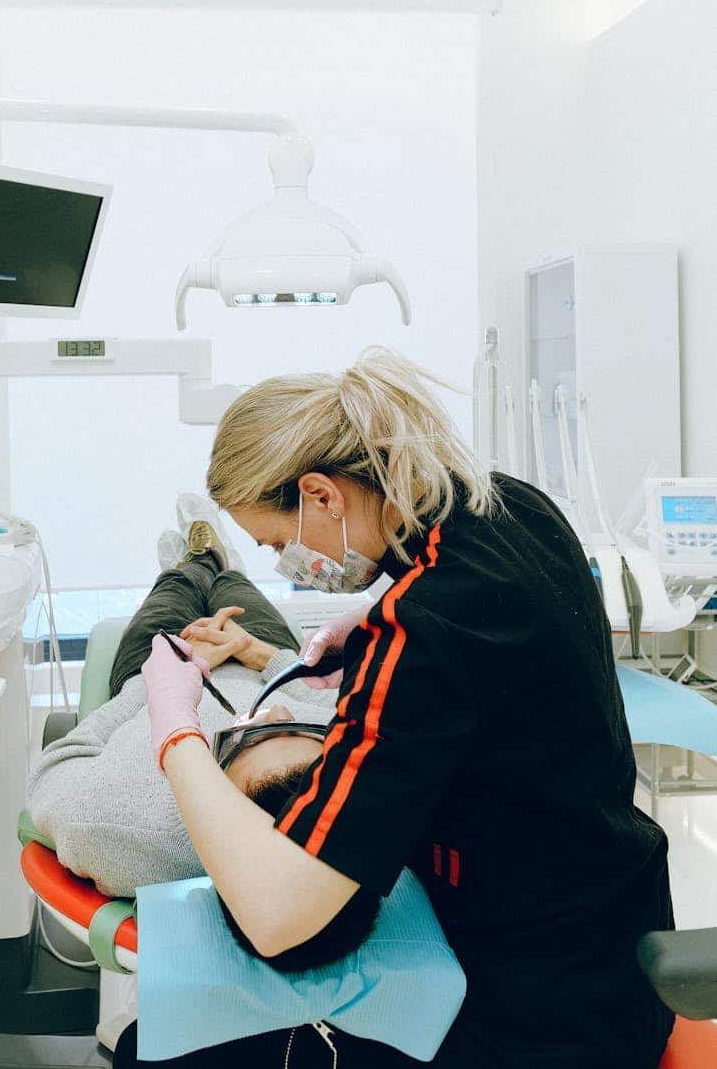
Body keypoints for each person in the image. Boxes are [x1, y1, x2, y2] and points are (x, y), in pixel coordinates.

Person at [141, 347, 675, 1069]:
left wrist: (176, 729)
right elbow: (506, 639)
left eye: (275, 542)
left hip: (537, 1019)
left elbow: (278, 922)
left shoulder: (422, 632)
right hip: (612, 936)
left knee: (154, 1053)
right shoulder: (511, 504)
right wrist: (372, 621)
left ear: (323, 495)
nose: (282, 563)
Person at [26, 505, 380, 971]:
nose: (270, 710)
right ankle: (223, 561)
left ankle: (191, 561)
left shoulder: (115, 830)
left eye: (245, 740)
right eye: (295, 727)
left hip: (157, 665)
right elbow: (318, 701)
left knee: (175, 588)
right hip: (250, 654)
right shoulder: (361, 796)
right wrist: (258, 653)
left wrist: (156, 688)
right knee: (237, 588)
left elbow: (58, 764)